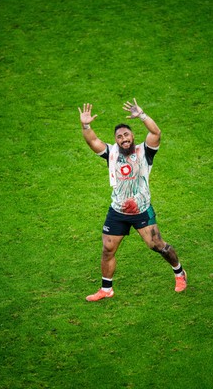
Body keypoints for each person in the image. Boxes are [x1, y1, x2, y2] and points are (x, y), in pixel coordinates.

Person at [78, 99, 187, 301]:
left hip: (141, 211)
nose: (123, 139)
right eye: (119, 137)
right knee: (107, 249)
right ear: (116, 140)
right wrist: (86, 125)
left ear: (133, 136)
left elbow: (156, 133)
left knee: (157, 245)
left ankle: (179, 273)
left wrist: (143, 115)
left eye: (126, 134)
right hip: (118, 211)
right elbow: (92, 141)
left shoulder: (144, 152)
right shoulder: (111, 153)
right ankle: (106, 289)